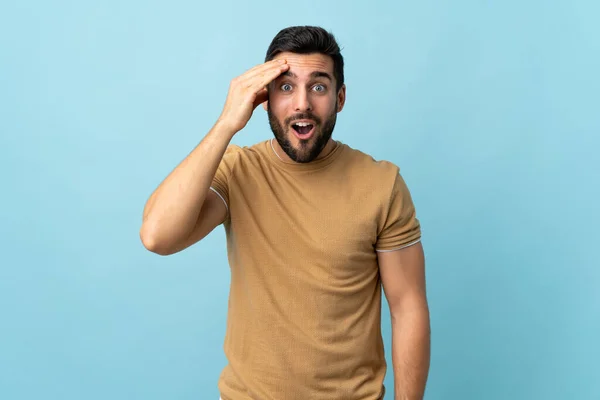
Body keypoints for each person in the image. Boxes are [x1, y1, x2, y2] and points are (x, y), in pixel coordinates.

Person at [140, 26, 430, 400]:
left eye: (319, 87)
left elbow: (408, 307)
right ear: (264, 99)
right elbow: (157, 236)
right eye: (286, 86)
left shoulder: (382, 184)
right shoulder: (237, 171)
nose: (302, 104)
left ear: (340, 98)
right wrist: (227, 123)